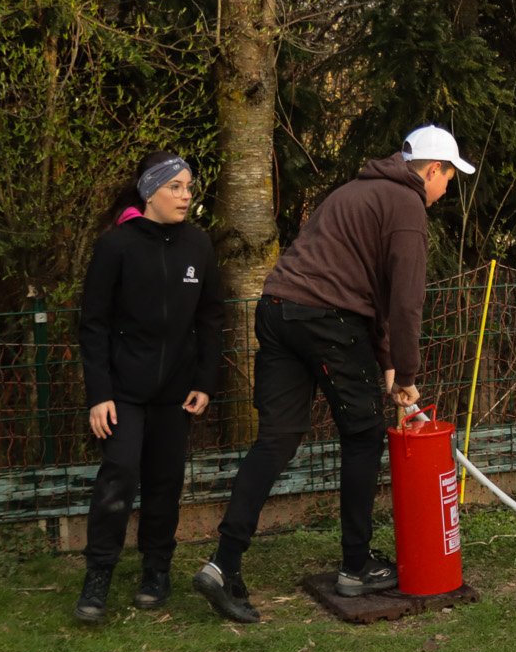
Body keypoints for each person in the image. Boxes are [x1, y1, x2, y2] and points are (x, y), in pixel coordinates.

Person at [193, 125, 474, 622]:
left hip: (277, 309)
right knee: (363, 435)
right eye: (449, 177)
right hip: (325, 319)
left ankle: (223, 564)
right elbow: (405, 302)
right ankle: (355, 566)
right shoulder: (407, 207)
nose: (447, 188)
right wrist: (408, 375)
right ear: (433, 170)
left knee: (276, 439)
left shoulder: (356, 191)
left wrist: (388, 366)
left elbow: (369, 293)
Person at [73, 152, 224, 624]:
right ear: (149, 192)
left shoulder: (198, 244)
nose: (186, 196)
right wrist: (99, 393)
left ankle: (156, 571)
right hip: (123, 392)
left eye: (189, 187)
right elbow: (93, 324)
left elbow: (211, 317)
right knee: (119, 473)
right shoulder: (115, 245)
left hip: (176, 392)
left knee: (165, 481)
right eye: (175, 187)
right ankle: (98, 575)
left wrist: (204, 380)